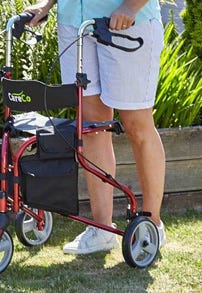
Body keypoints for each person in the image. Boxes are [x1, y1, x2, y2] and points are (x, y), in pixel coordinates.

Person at [25, 0, 166, 254]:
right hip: (74, 24)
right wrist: (46, 4)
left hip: (126, 22)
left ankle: (152, 225)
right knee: (92, 125)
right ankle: (102, 229)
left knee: (137, 124)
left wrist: (132, 6)